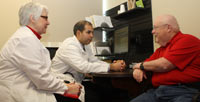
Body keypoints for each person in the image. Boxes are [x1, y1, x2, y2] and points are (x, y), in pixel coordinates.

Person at [0, 2, 81, 102]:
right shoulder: (25, 40)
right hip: (20, 94)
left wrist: (64, 84)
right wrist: (67, 88)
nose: (48, 22)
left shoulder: (27, 37)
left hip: (29, 88)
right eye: (45, 18)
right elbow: (41, 79)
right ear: (33, 18)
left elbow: (41, 75)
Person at [130, 14, 200, 102]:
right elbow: (147, 63)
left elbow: (164, 65)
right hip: (158, 92)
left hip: (183, 91)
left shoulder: (187, 40)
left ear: (168, 28)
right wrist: (139, 68)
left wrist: (140, 66)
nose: (152, 31)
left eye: (155, 28)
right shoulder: (161, 49)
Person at [51, 20, 126, 102]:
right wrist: (111, 66)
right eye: (88, 32)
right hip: (62, 84)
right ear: (79, 33)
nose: (92, 35)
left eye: (92, 33)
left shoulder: (86, 45)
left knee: (106, 90)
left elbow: (94, 61)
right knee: (95, 97)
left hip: (76, 81)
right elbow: (83, 67)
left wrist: (112, 65)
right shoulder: (69, 45)